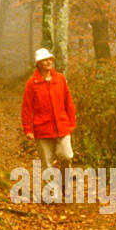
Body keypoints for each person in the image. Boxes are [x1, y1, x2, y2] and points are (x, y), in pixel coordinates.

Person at [21, 47, 76, 199]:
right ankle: (50, 194)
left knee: (66, 155)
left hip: (62, 126)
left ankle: (65, 182)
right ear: (38, 64)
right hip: (42, 128)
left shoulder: (60, 79)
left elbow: (68, 101)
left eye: (50, 59)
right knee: (47, 163)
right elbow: (27, 107)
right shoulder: (32, 83)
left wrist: (72, 121)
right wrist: (27, 129)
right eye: (45, 60)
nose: (48, 62)